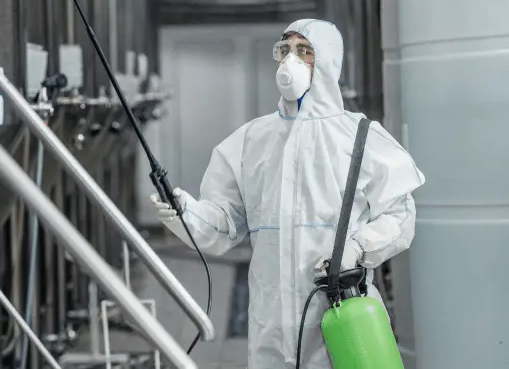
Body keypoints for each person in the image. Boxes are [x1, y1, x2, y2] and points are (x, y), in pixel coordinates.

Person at [149, 19, 425, 369]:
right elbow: (225, 226)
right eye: (285, 50)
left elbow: (401, 217)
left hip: (338, 320)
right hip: (270, 327)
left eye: (304, 51)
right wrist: (185, 211)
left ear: (327, 63)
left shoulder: (361, 137)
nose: (290, 60)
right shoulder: (251, 141)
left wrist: (357, 248)